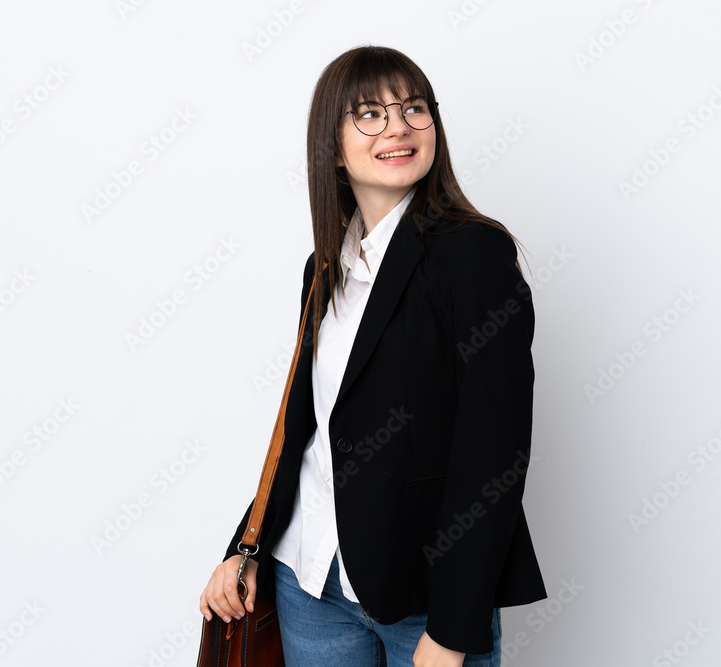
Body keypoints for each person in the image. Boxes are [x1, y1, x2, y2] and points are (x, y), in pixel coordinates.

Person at [200, 44, 547, 666]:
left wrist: (455, 629)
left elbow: (494, 453)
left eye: (414, 108)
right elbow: (306, 427)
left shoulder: (472, 256)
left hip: (424, 597)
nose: (398, 127)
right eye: (369, 113)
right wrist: (244, 549)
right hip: (307, 581)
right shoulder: (324, 267)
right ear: (332, 147)